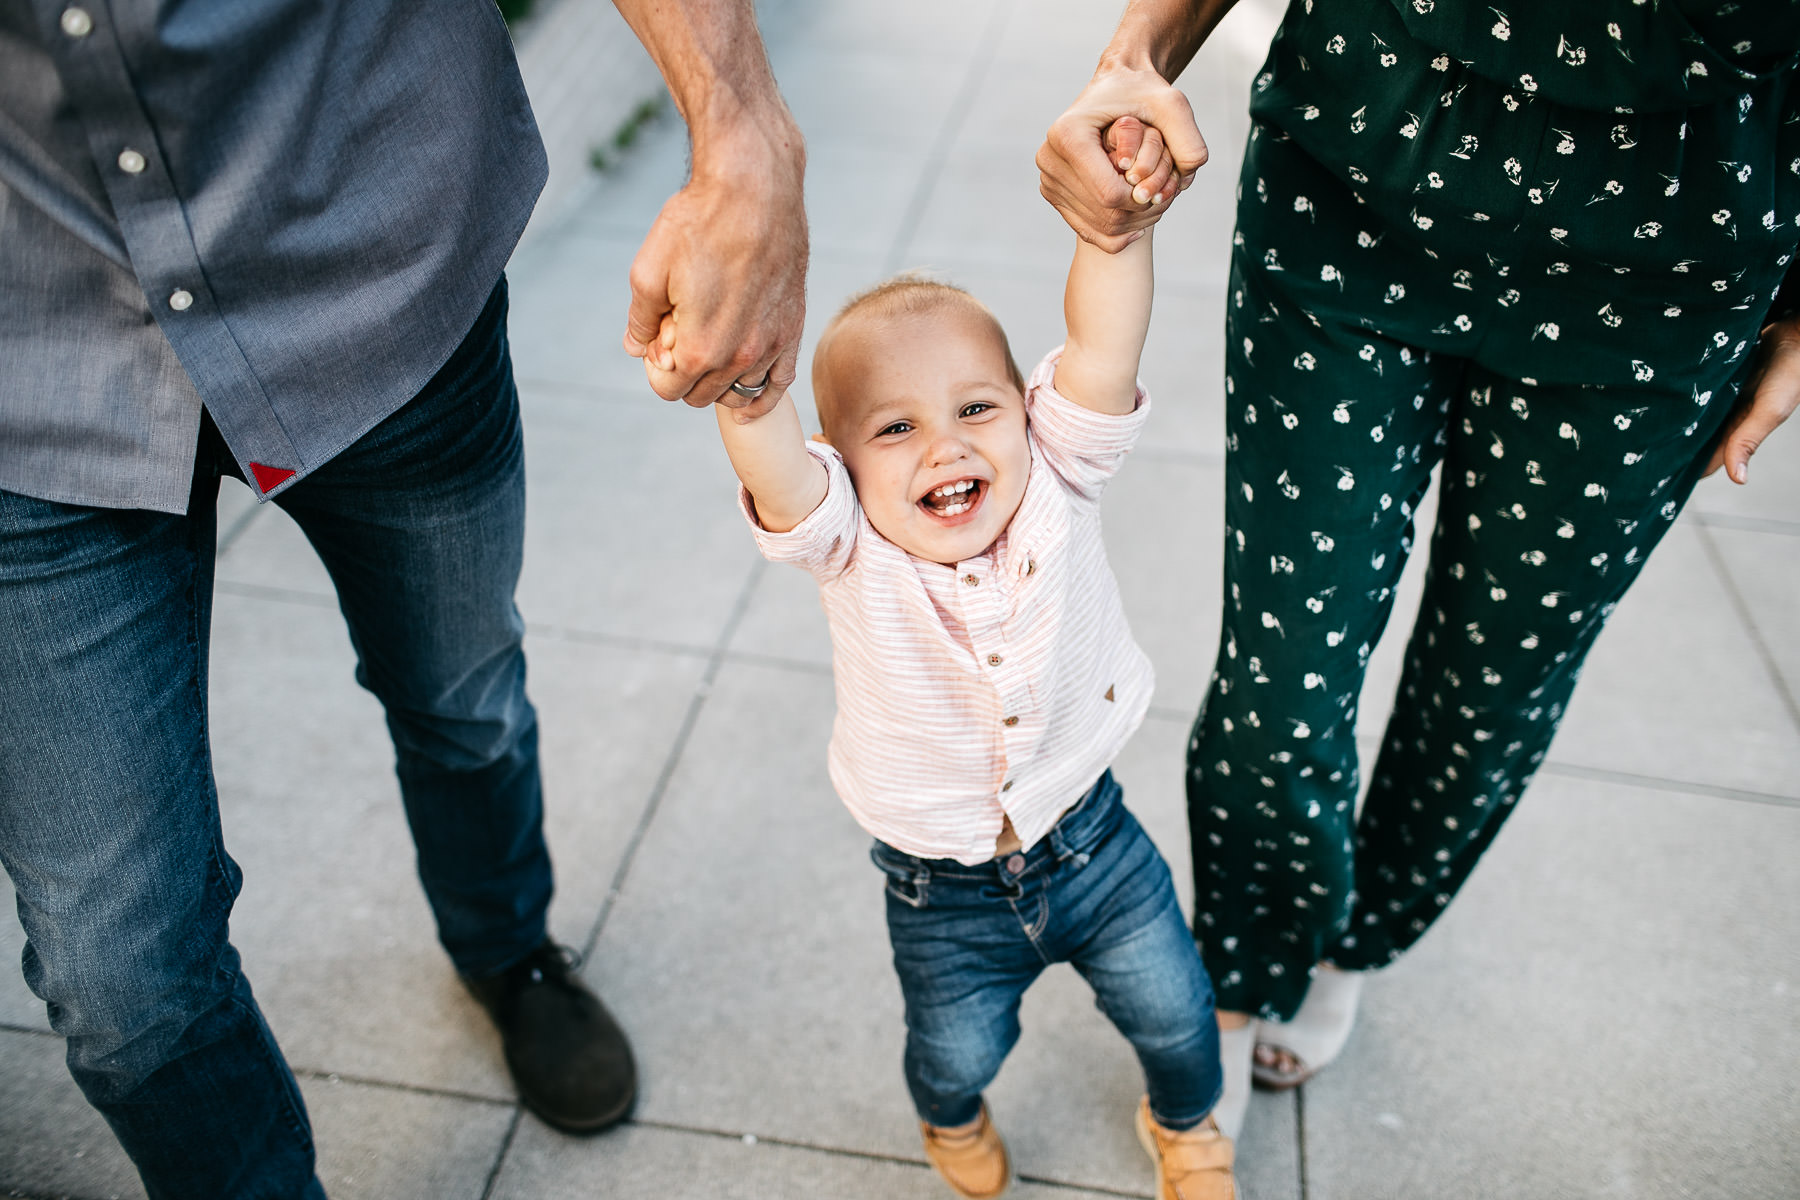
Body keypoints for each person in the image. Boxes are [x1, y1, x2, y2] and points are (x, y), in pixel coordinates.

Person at [0, 0, 805, 1195]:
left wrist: (742, 129)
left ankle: (508, 952)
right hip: (34, 365)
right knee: (120, 976)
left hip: (374, 261)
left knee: (462, 691)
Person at [1037, 0, 1800, 1139]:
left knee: (1492, 687)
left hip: (1674, 258)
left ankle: (1358, 937)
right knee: (1282, 677)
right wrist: (1135, 54)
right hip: (1367, 161)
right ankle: (1241, 980)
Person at [663, 125, 1233, 1200]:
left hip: (1096, 842)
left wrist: (1118, 230)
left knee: (1177, 1007)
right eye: (896, 429)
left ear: (1026, 410)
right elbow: (779, 469)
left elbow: (1103, 349)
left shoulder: (1058, 475)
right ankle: (949, 1117)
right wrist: (743, 388)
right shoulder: (847, 541)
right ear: (843, 462)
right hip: (941, 891)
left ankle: (1191, 1126)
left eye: (977, 407)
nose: (947, 446)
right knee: (953, 1048)